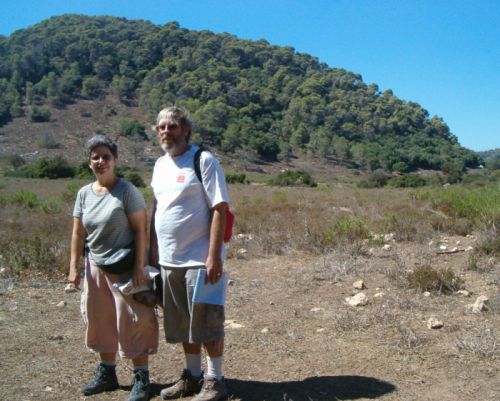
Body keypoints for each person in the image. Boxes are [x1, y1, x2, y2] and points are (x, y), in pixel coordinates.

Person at [68, 135, 159, 401]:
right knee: (100, 319)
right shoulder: (84, 194)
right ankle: (107, 373)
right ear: (89, 163)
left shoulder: (127, 191)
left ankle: (141, 377)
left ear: (115, 160)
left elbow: (141, 230)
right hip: (96, 266)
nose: (100, 161)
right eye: (95, 157)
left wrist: (141, 266)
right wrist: (74, 267)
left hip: (126, 268)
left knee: (134, 319)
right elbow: (77, 233)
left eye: (105, 156)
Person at [149, 107, 229, 401]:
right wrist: (151, 254)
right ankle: (192, 376)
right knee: (183, 324)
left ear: (185, 130)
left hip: (200, 260)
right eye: (161, 127)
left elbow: (220, 208)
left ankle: (216, 381)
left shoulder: (203, 160)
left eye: (172, 126)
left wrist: (214, 256)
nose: (165, 132)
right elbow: (158, 209)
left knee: (207, 322)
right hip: (169, 262)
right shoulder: (159, 165)